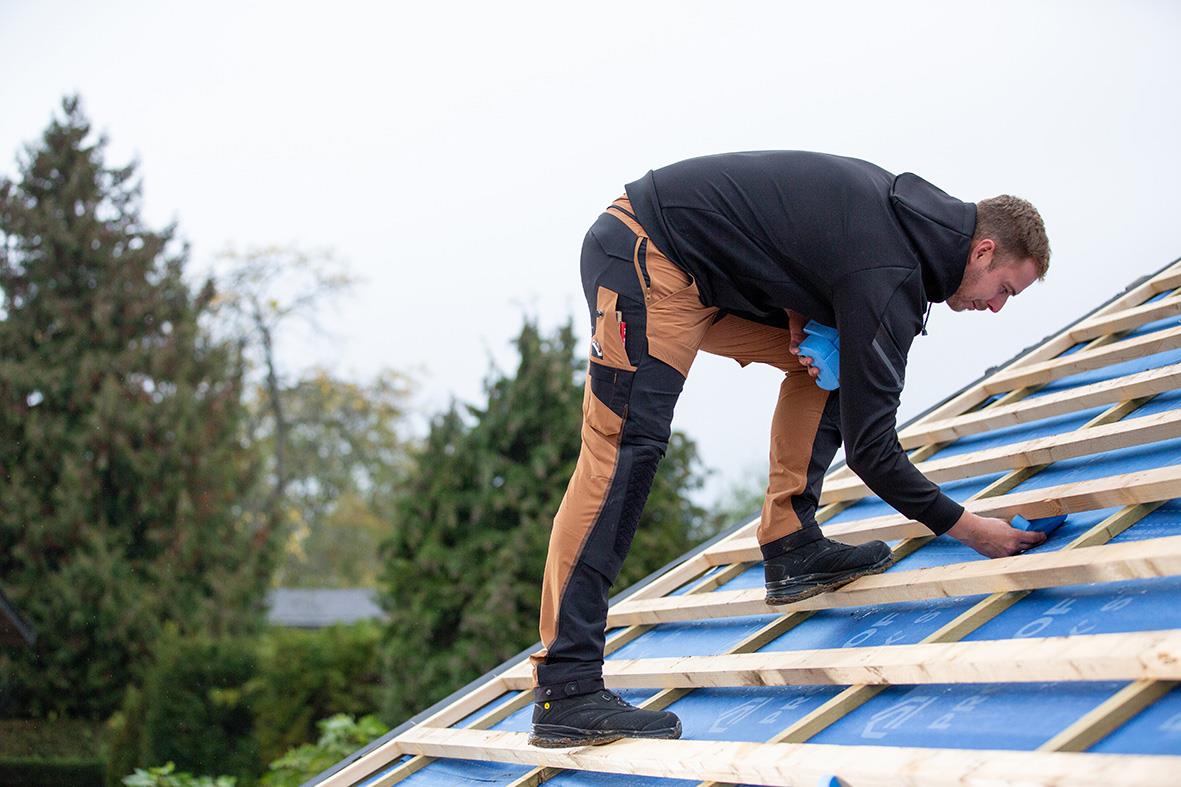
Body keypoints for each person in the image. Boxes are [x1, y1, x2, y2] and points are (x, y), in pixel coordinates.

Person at [527, 151, 1051, 748]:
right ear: (983, 252)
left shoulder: (905, 227)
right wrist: (969, 528)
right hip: (650, 254)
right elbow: (872, 451)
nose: (997, 306)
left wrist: (799, 313)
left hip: (711, 272)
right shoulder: (891, 270)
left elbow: (792, 234)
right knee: (624, 452)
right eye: (1005, 288)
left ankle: (790, 543)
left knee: (830, 365)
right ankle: (567, 688)